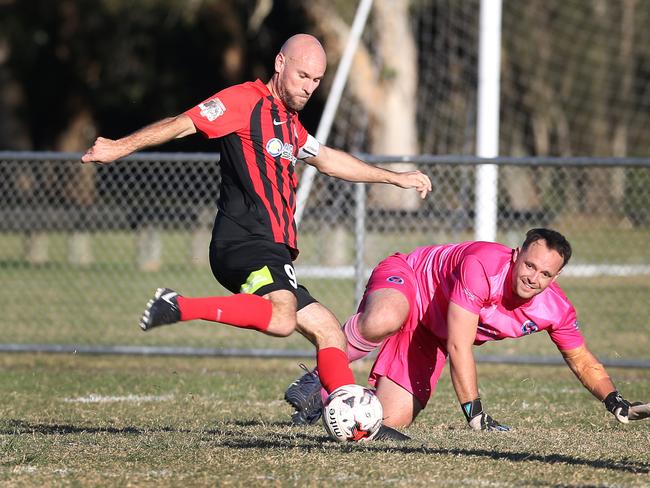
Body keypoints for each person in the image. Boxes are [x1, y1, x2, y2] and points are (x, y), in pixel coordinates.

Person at [81, 34, 431, 439]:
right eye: (303, 75)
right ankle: (178, 305)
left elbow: (330, 160)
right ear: (280, 63)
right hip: (244, 241)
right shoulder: (242, 101)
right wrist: (119, 147)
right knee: (282, 319)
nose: (308, 87)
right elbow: (183, 124)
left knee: (329, 330)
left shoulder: (288, 121)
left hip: (271, 248)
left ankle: (359, 424)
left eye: (317, 80)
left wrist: (393, 177)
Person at [285, 228, 650, 434]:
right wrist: (475, 413)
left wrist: (614, 401)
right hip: (410, 280)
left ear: (557, 277)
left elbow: (581, 360)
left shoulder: (556, 308)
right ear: (515, 254)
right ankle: (319, 376)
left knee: (383, 424)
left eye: (545, 274)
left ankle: (332, 401)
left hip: (430, 333)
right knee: (384, 319)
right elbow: (459, 345)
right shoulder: (482, 266)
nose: (533, 278)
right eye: (529, 265)